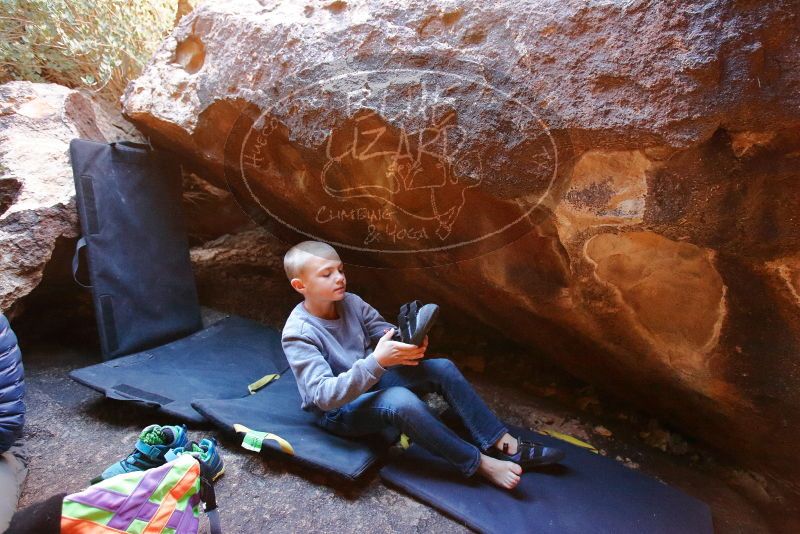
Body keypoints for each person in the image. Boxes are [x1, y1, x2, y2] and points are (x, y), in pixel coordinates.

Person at [280, 241, 563, 490]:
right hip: (338, 411)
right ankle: (478, 463)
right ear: (300, 286)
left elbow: (383, 331)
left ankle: (503, 442)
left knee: (442, 368)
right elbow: (324, 397)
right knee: (399, 400)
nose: (339, 278)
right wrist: (377, 361)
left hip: (371, 382)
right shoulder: (298, 333)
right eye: (327, 274)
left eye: (340, 269)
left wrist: (407, 343)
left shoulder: (351, 302)